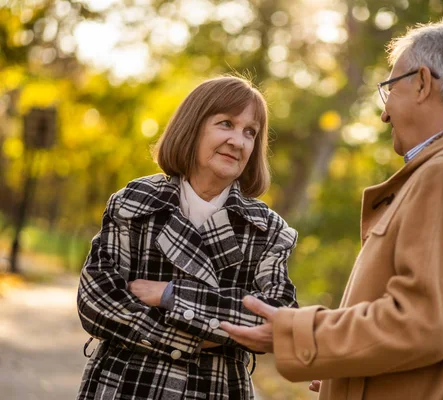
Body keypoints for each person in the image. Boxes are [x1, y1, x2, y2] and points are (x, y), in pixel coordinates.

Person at [221, 22, 443, 399]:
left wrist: (294, 332)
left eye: (390, 90)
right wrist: (348, 372)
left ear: (423, 83)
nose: (384, 114)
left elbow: (423, 323)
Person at [76, 76, 298, 400]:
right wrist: (197, 338)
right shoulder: (135, 202)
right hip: (125, 386)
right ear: (192, 127)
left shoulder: (268, 229)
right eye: (226, 124)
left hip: (216, 391)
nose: (238, 141)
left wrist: (169, 294)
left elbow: (276, 316)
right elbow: (96, 302)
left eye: (250, 132)